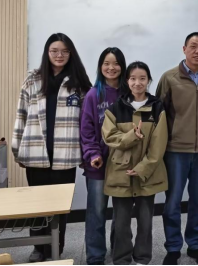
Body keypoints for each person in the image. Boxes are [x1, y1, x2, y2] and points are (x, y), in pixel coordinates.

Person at [12, 33, 92, 263]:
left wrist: (85, 153)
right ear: (47, 53)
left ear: (71, 54)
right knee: (37, 204)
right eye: (54, 50)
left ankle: (57, 246)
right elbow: (21, 114)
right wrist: (17, 149)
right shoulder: (33, 79)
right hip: (35, 152)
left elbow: (86, 122)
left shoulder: (79, 82)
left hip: (65, 155)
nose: (59, 55)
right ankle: (38, 247)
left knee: (59, 206)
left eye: (64, 51)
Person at [156, 32, 198, 266]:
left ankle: (196, 245)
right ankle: (173, 247)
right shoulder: (169, 77)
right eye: (193, 46)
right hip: (175, 150)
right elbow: (159, 114)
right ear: (184, 49)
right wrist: (159, 146)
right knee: (172, 201)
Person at [102, 61, 168, 266]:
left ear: (149, 80)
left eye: (142, 78)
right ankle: (121, 259)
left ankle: (142, 258)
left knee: (145, 222)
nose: (137, 83)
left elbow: (159, 144)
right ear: (127, 81)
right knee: (121, 222)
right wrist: (132, 136)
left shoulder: (157, 107)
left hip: (147, 174)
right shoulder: (116, 107)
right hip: (120, 172)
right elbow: (109, 136)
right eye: (133, 78)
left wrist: (142, 168)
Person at [80, 48, 126, 265]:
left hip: (123, 165)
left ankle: (120, 251)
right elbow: (87, 130)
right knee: (96, 212)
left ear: (122, 66)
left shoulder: (128, 94)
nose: (111, 68)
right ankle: (95, 256)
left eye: (116, 63)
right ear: (100, 67)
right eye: (106, 63)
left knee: (121, 213)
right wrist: (93, 154)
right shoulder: (93, 95)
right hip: (98, 165)